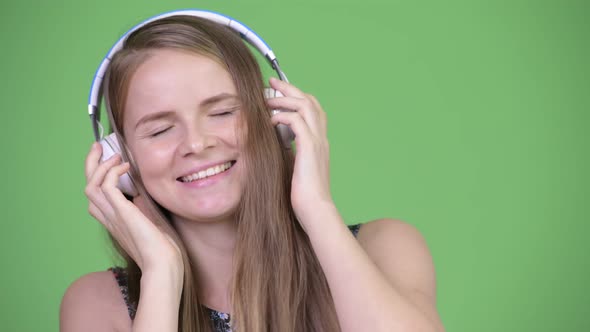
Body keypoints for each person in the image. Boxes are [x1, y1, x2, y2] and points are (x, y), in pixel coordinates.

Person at [59, 14, 445, 332]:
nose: (197, 143)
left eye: (224, 112)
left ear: (277, 120)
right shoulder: (97, 305)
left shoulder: (385, 248)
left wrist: (317, 209)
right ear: (119, 158)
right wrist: (161, 273)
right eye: (160, 129)